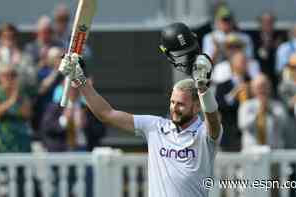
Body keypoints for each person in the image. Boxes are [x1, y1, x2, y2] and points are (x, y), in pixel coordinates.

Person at [59, 22, 222, 197]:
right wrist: (80, 79)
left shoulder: (204, 134)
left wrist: (203, 88)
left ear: (197, 106)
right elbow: (106, 114)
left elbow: (213, 119)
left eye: (180, 104)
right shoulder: (156, 127)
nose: (174, 108)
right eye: (172, 102)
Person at [238, 74, 288, 150]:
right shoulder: (246, 106)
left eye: (264, 86)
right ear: (253, 89)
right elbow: (243, 126)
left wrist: (270, 110)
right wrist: (259, 113)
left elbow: (284, 124)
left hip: (274, 152)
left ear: (269, 88)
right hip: (251, 151)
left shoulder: (277, 106)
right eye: (258, 87)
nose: (262, 90)